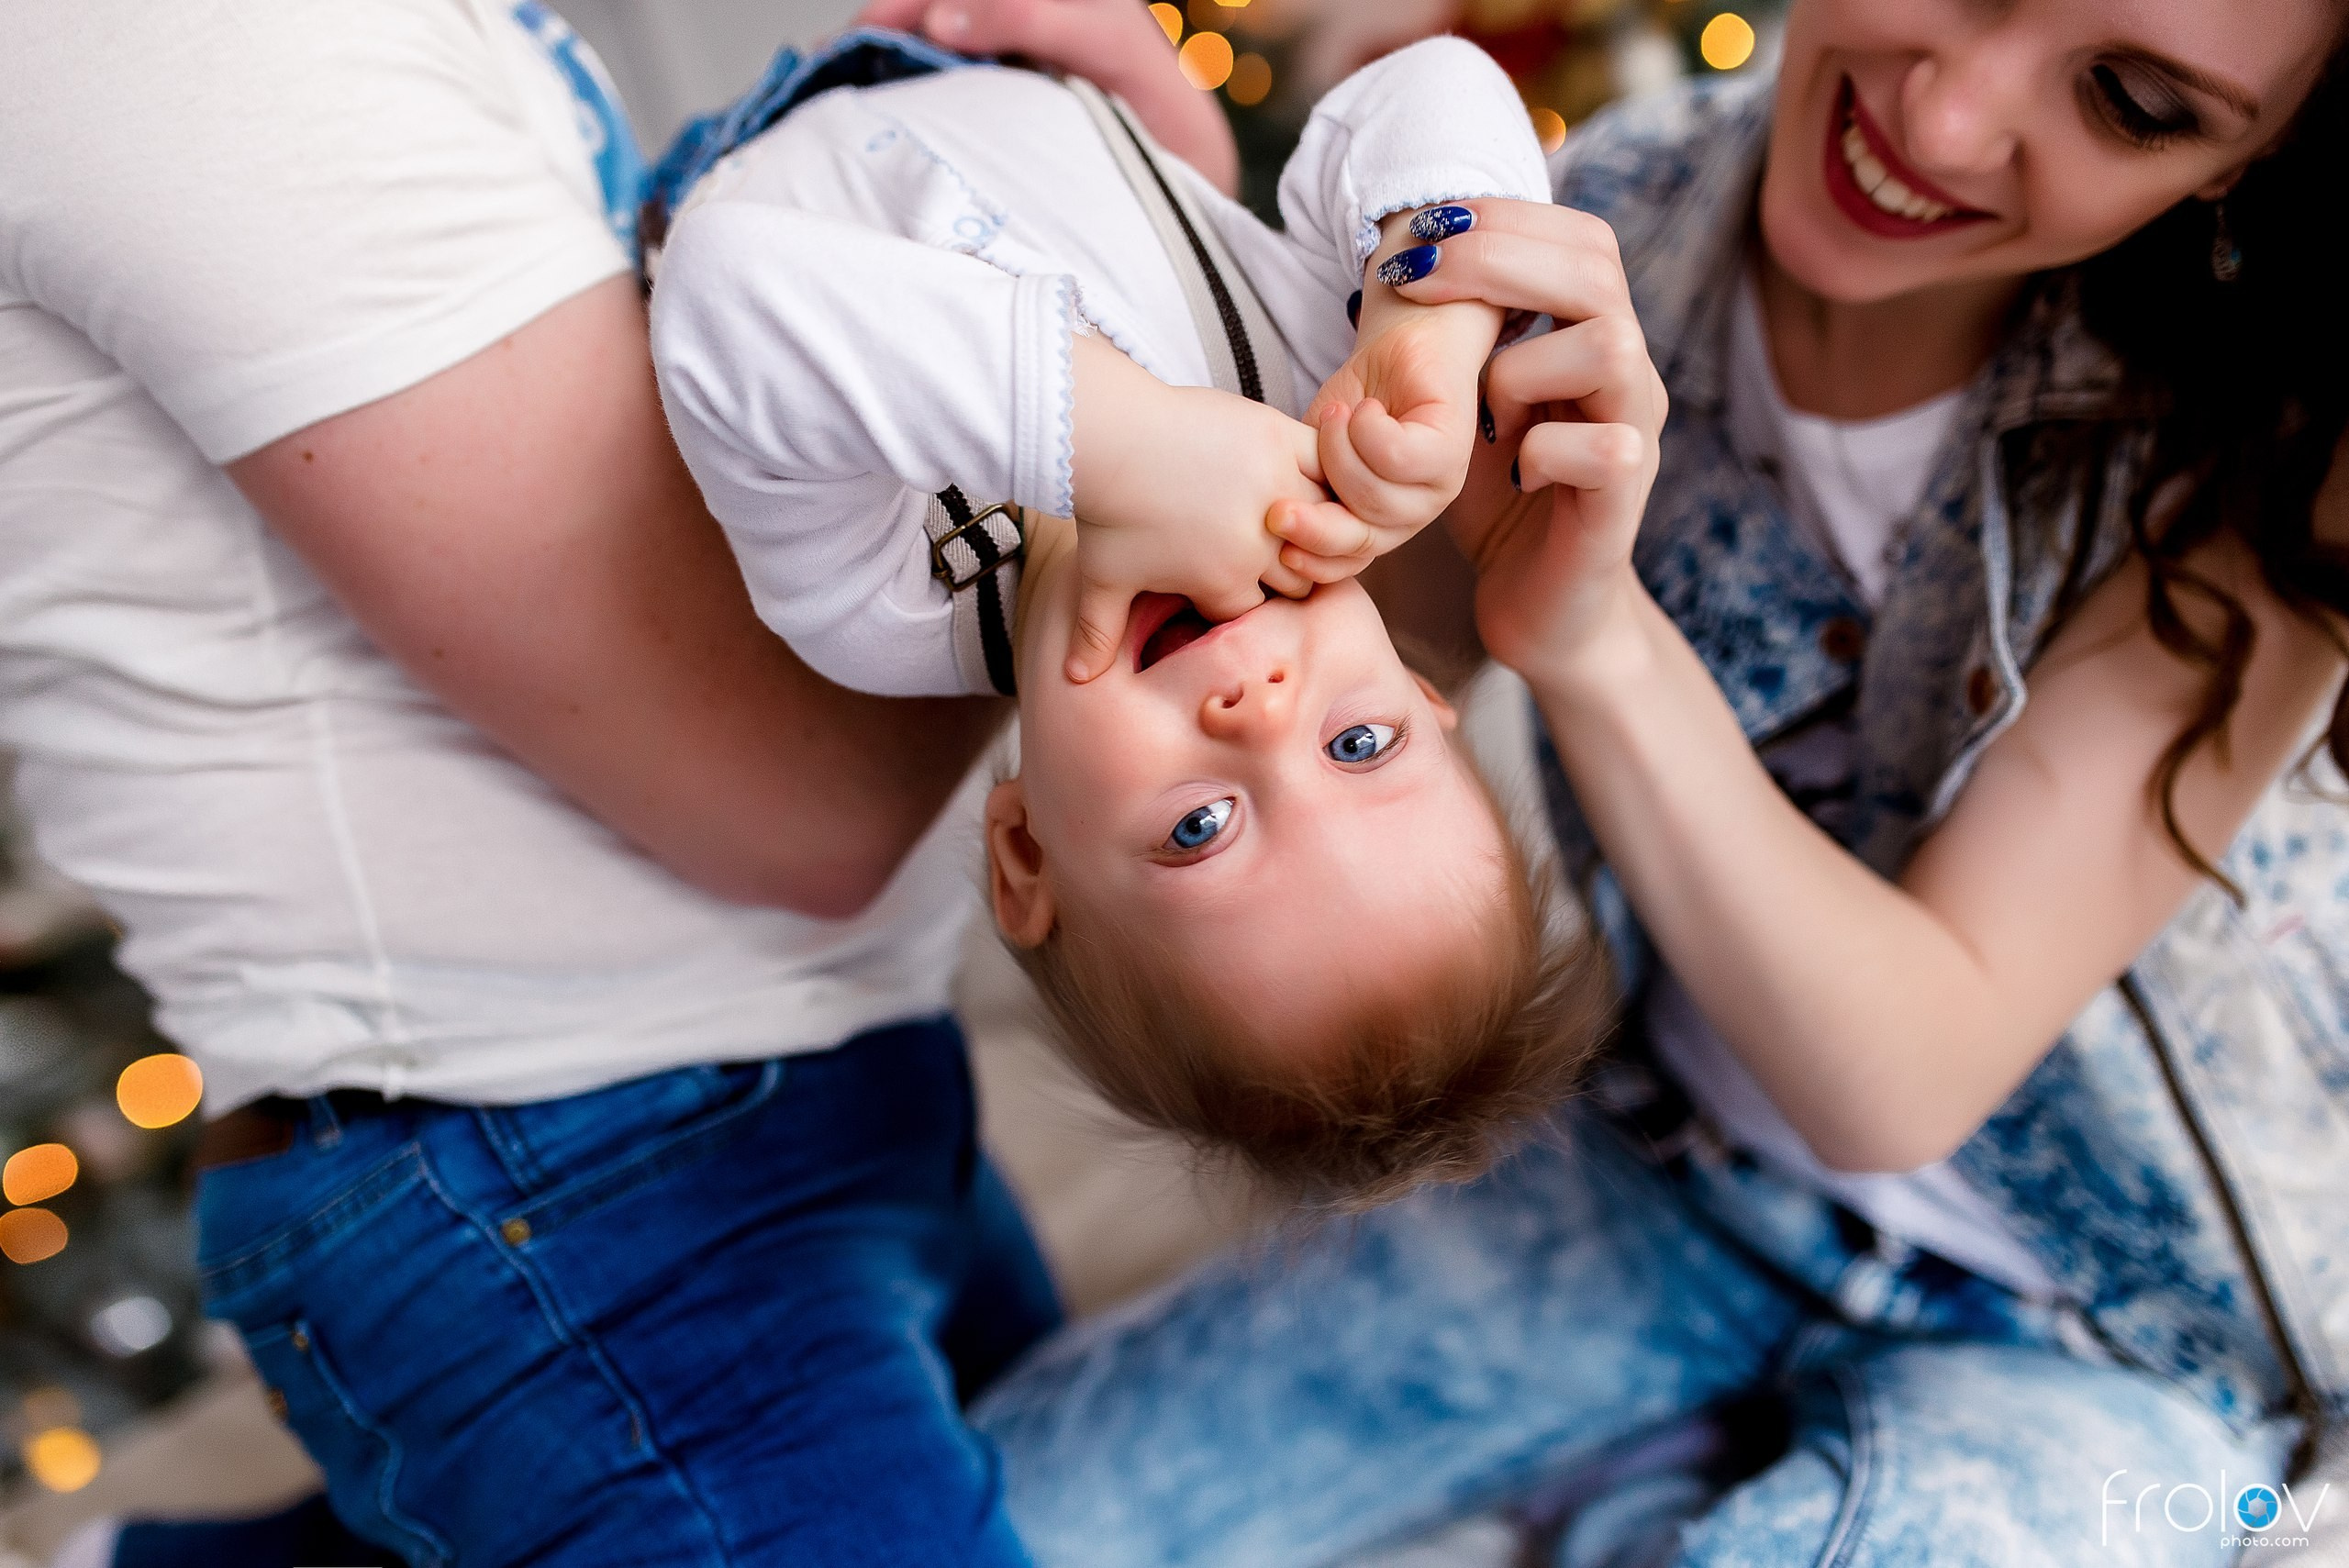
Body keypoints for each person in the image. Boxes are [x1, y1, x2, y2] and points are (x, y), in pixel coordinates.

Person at [970, 1, 2349, 1563]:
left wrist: (1593, 632)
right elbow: (1347, 624)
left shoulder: (2279, 452)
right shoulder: (1593, 217)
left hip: (2111, 1333)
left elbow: (1901, 1076)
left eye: (2134, 101)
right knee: (991, 1522)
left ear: (2260, 154)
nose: (1945, 121)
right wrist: (1127, 159)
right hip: (1667, 1167)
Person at [0, 2, 1247, 1564]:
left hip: (802, 1078)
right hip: (564, 1169)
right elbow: (797, 795)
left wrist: (1112, 265)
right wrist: (1141, 356)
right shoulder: (213, 42)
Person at [648, 34, 1608, 1204]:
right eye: (1358, 744)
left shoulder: (886, 594)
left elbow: (723, 287)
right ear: (1417, 689)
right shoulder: (1315, 394)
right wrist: (1429, 316)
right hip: (1014, 57)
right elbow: (1437, 82)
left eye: (1199, 827)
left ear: (1025, 853)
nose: (1259, 715)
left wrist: (1124, 449)